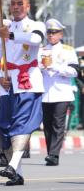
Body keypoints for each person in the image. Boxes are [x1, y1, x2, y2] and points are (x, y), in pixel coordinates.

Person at [0, 0, 46, 186]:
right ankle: (17, 173)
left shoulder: (37, 25)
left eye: (20, 3)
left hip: (28, 81)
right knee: (5, 128)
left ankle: (11, 165)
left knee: (21, 124)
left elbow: (36, 40)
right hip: (7, 83)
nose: (16, 6)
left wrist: (11, 35)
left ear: (28, 7)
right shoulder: (3, 27)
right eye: (13, 3)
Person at [38, 18, 79, 166]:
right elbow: (35, 69)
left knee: (58, 124)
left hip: (61, 92)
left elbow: (75, 71)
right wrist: (41, 68)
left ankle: (54, 154)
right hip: (45, 93)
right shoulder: (41, 50)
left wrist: (56, 67)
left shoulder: (68, 51)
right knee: (47, 125)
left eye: (54, 32)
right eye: (49, 32)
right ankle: (51, 153)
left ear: (61, 34)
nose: (51, 35)